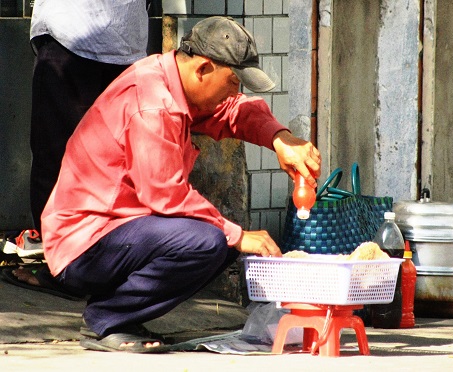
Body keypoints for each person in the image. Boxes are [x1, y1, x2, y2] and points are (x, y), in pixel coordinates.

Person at [40, 16, 321, 353]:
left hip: (117, 230)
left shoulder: (176, 80)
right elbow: (165, 194)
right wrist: (239, 234)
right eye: (233, 82)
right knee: (210, 240)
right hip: (84, 245)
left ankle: (119, 315)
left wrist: (281, 139)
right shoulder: (154, 103)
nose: (235, 92)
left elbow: (236, 111)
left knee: (217, 239)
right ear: (203, 69)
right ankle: (107, 319)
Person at [5, 0, 150, 294]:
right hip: (83, 33)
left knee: (88, 159)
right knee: (69, 157)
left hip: (100, 35)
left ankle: (72, 267)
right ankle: (71, 264)